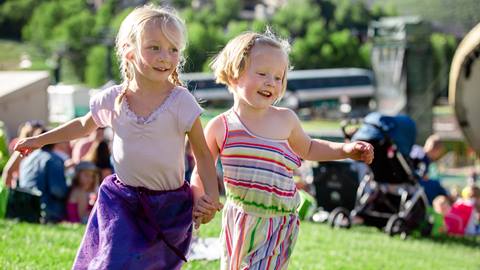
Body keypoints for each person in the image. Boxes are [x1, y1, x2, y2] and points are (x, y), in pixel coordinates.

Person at [14, 5, 221, 269]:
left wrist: (211, 198)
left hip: (169, 206)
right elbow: (82, 126)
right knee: (114, 262)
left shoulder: (181, 101)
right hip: (123, 202)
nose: (165, 57)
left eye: (173, 49)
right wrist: (39, 140)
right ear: (129, 51)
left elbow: (202, 153)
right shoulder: (113, 99)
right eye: (154, 47)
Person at [190, 31, 374, 270]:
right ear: (235, 74)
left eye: (278, 77)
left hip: (278, 221)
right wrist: (198, 200)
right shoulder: (220, 126)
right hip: (238, 219)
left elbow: (309, 147)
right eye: (262, 74)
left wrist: (345, 150)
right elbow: (201, 169)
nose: (271, 82)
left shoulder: (286, 120)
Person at [16, 138, 69, 223]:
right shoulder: (54, 159)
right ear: (54, 143)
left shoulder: (27, 159)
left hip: (24, 208)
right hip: (44, 211)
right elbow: (58, 190)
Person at [410, 134, 448, 205]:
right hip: (412, 184)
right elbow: (421, 176)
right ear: (436, 150)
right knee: (436, 186)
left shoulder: (416, 148)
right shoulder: (424, 159)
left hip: (405, 178)